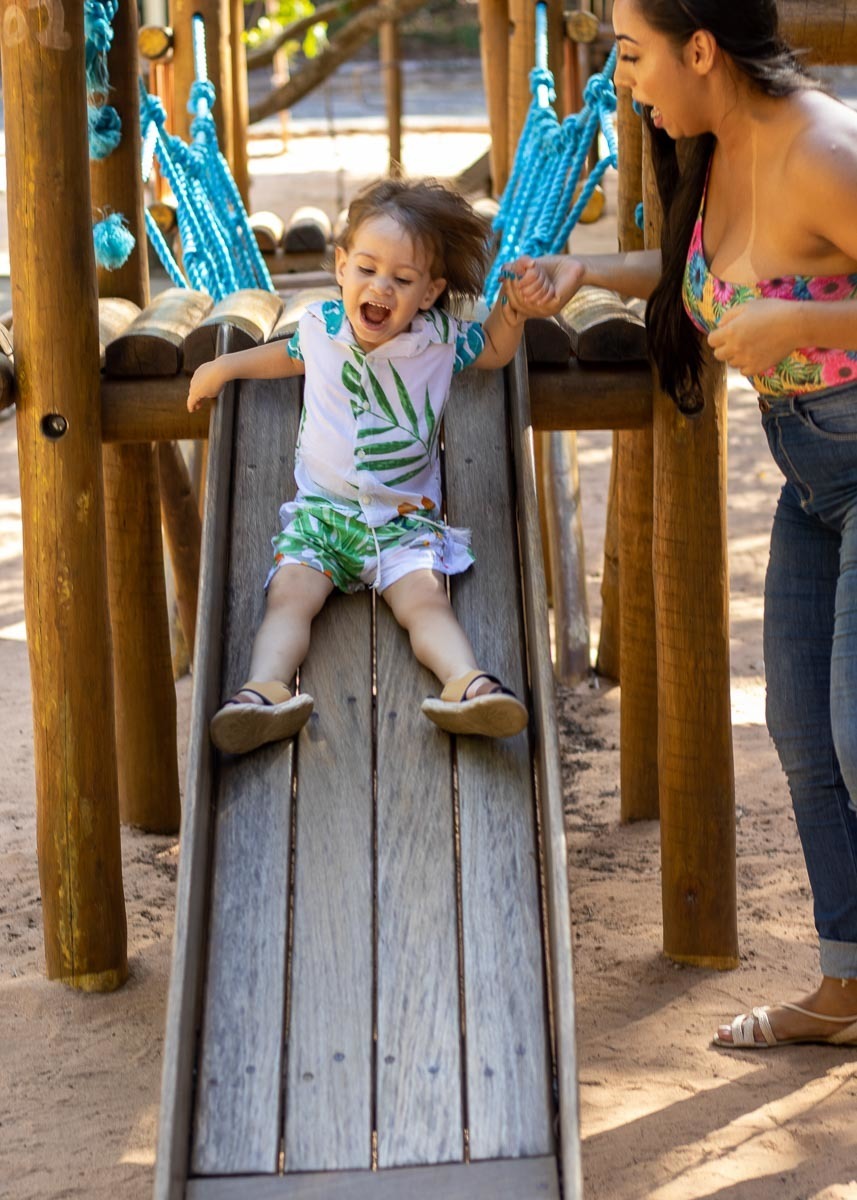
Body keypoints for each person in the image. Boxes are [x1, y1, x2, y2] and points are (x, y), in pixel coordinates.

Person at [506, 0, 857, 1048]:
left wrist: (799, 322)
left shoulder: (821, 151)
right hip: (813, 479)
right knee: (799, 736)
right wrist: (589, 272)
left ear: (698, 49)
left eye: (629, 55)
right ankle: (845, 990)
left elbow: (790, 297)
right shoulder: (718, 145)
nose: (623, 82)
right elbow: (715, 276)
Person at [188, 177, 544, 756]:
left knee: (424, 600)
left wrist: (515, 310)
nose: (381, 287)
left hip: (403, 521)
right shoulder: (323, 330)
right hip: (322, 517)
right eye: (367, 269)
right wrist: (224, 367)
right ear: (341, 267)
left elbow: (497, 349)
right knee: (289, 595)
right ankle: (262, 694)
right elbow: (284, 356)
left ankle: (469, 687)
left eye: (401, 280)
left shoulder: (439, 341)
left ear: (428, 293)